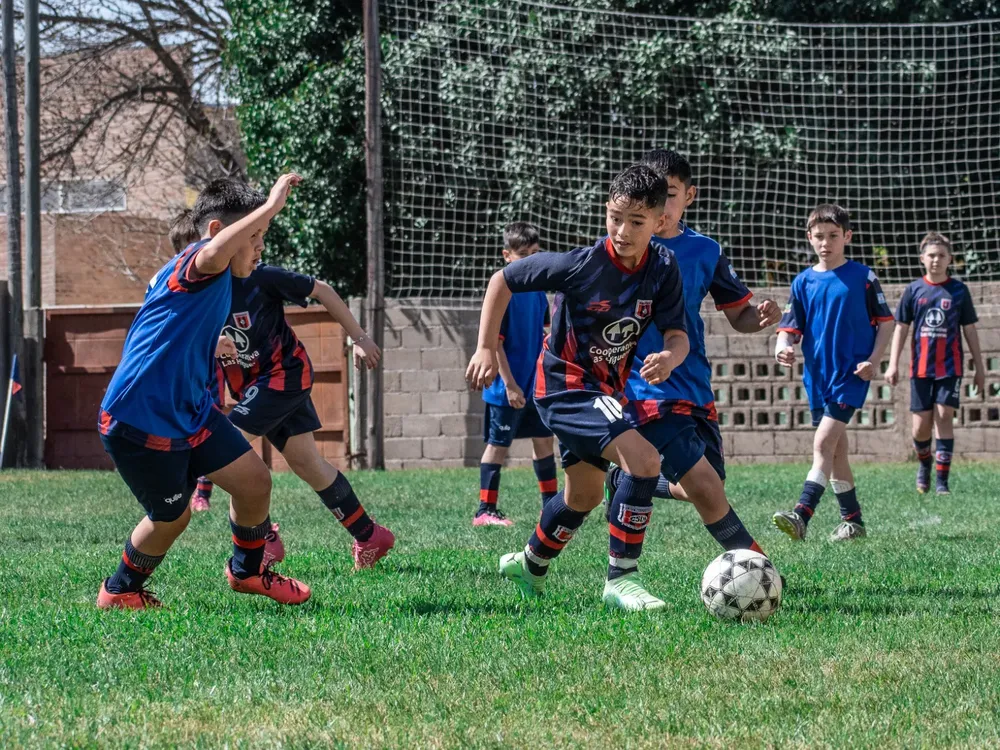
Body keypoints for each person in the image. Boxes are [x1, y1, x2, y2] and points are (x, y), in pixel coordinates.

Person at [467, 165, 689, 609]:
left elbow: (677, 334)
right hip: (564, 387)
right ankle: (621, 579)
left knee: (583, 495)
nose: (622, 231)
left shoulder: (664, 268)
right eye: (614, 217)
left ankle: (529, 564)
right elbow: (502, 281)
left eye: (636, 222)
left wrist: (670, 357)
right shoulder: (582, 264)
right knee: (643, 461)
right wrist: (485, 348)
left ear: (661, 222)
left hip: (605, 391)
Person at [97, 174, 311, 609]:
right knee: (171, 518)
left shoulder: (205, 277)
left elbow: (163, 327)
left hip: (191, 411)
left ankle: (247, 573)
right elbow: (214, 251)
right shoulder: (203, 259)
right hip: (142, 418)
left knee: (254, 484)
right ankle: (119, 591)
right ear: (219, 232)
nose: (260, 247)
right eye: (255, 237)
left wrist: (209, 342)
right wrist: (270, 204)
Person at [603, 149, 780, 610]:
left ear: (688, 197)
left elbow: (736, 313)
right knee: (703, 485)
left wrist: (758, 319)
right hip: (644, 384)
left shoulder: (705, 251)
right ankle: (758, 569)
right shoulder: (630, 246)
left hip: (694, 383)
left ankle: (627, 477)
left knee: (705, 483)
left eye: (671, 195)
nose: (660, 206)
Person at [216, 237, 393, 570]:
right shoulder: (207, 288)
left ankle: (263, 539)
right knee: (307, 462)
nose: (261, 246)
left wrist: (360, 338)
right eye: (252, 238)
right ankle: (369, 536)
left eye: (261, 237)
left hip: (283, 377)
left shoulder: (264, 278)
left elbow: (322, 290)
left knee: (223, 448)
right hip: (257, 385)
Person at [772, 204, 894, 542]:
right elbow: (788, 328)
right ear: (809, 238)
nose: (826, 243)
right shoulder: (803, 282)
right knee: (837, 451)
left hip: (850, 375)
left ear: (847, 237)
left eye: (833, 236)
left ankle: (802, 514)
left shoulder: (863, 277)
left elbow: (887, 323)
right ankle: (852, 521)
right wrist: (782, 346)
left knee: (823, 442)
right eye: (819, 236)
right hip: (817, 378)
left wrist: (874, 359)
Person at [885, 232, 985, 495]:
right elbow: (901, 329)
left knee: (944, 416)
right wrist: (892, 363)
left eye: (942, 255)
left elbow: (970, 331)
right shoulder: (913, 290)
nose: (936, 260)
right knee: (920, 427)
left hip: (950, 368)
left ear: (950, 258)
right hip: (920, 369)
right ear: (922, 258)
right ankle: (924, 464)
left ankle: (942, 482)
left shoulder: (959, 291)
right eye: (931, 255)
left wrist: (980, 367)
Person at [475, 222, 556, 527]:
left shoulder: (537, 293)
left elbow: (545, 334)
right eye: (524, 255)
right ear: (506, 255)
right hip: (506, 388)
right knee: (498, 446)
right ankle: (485, 510)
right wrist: (509, 384)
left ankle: (550, 507)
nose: (532, 260)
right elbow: (495, 343)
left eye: (535, 253)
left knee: (544, 441)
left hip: (535, 387)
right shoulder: (503, 291)